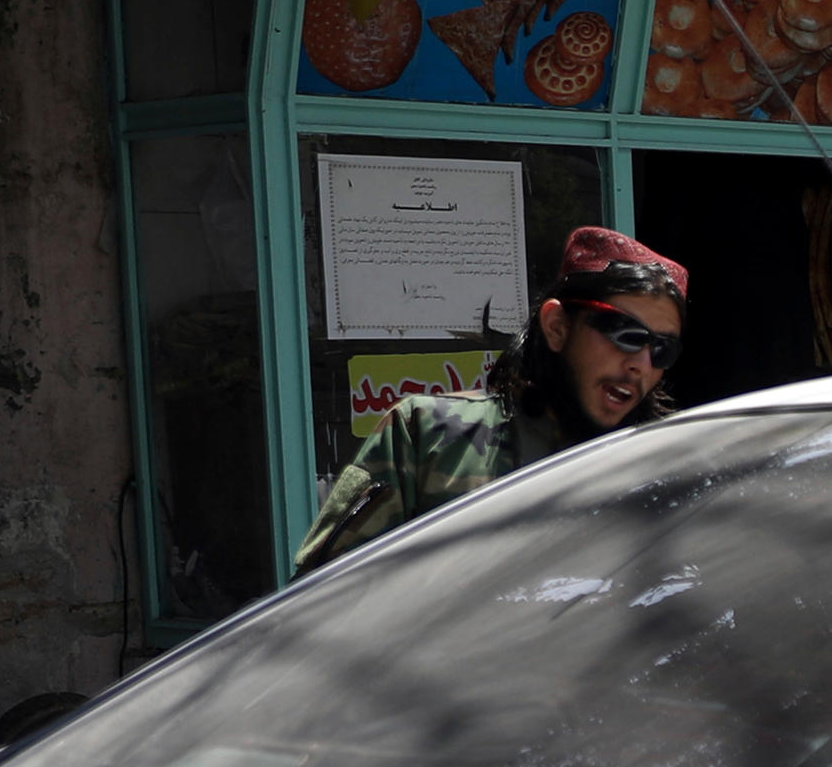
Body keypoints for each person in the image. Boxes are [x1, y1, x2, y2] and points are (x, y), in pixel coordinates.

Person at [294, 227, 688, 574]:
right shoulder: (429, 437)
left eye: (662, 350)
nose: (640, 364)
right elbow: (321, 597)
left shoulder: (659, 468)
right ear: (557, 327)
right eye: (626, 335)